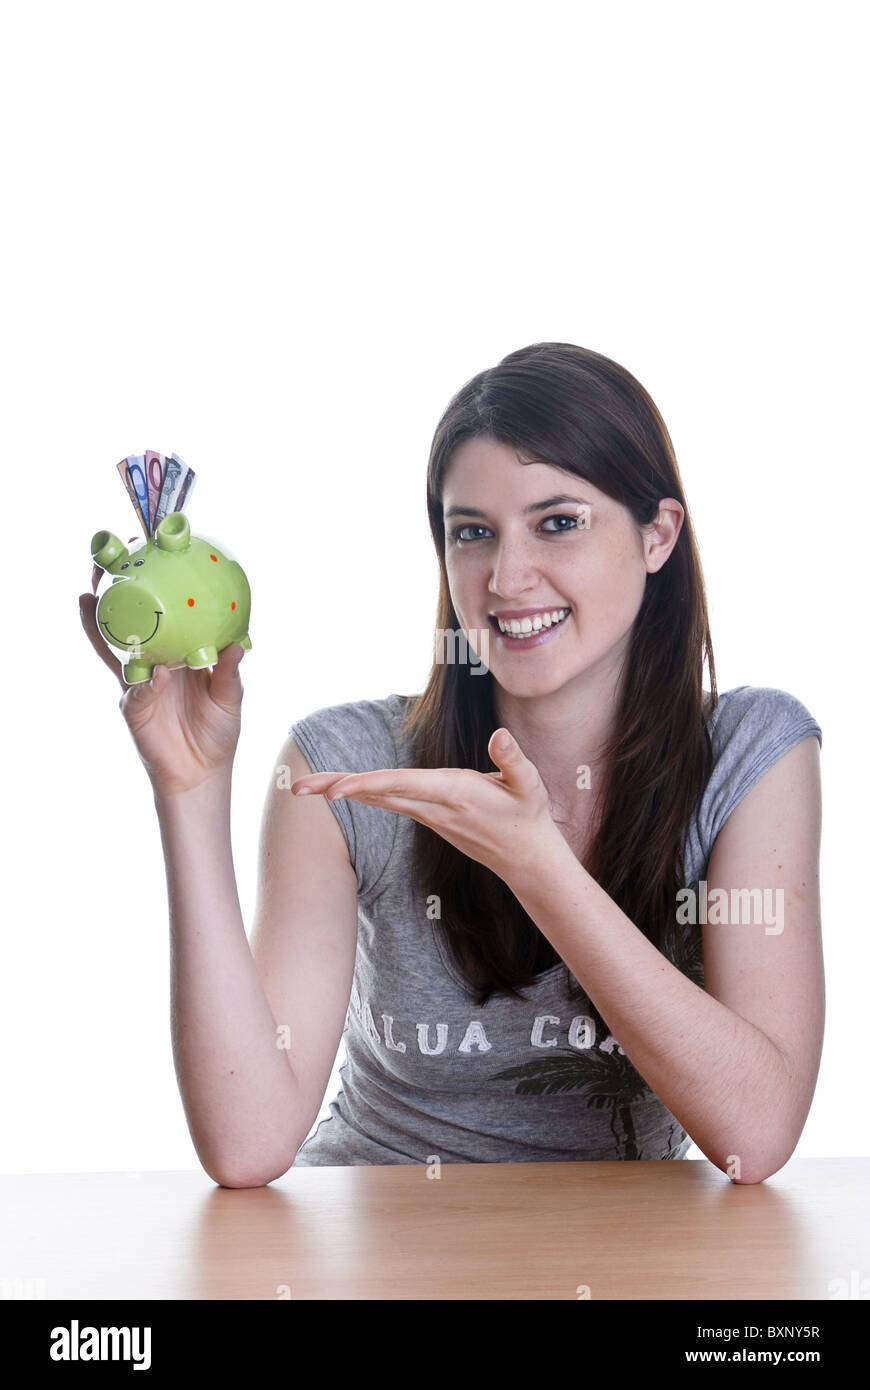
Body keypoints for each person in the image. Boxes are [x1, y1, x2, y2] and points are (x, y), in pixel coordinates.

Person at [79, 342, 823, 1187]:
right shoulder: (347, 770)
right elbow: (248, 1147)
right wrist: (191, 788)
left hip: (623, 1257)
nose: (507, 578)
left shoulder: (754, 755)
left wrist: (538, 864)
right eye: (472, 533)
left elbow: (755, 1137)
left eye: (559, 522)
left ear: (658, 535)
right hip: (374, 1248)